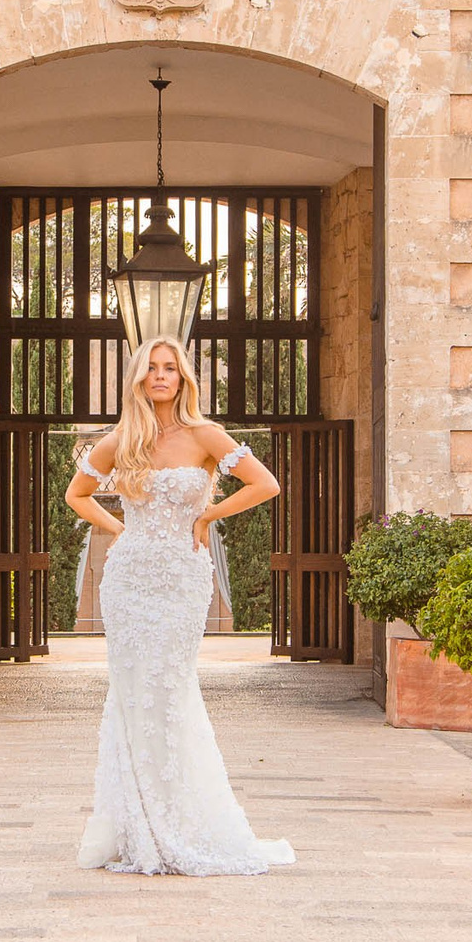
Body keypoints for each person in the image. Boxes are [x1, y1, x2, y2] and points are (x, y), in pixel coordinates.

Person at [64, 335, 296, 876]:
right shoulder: (120, 441)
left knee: (170, 688)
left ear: (183, 378)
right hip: (130, 581)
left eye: (170, 368)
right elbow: (77, 496)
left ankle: (181, 819)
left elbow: (267, 484)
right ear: (138, 378)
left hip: (181, 578)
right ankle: (139, 823)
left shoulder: (205, 434)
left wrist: (208, 515)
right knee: (132, 694)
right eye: (152, 368)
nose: (161, 376)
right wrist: (119, 526)